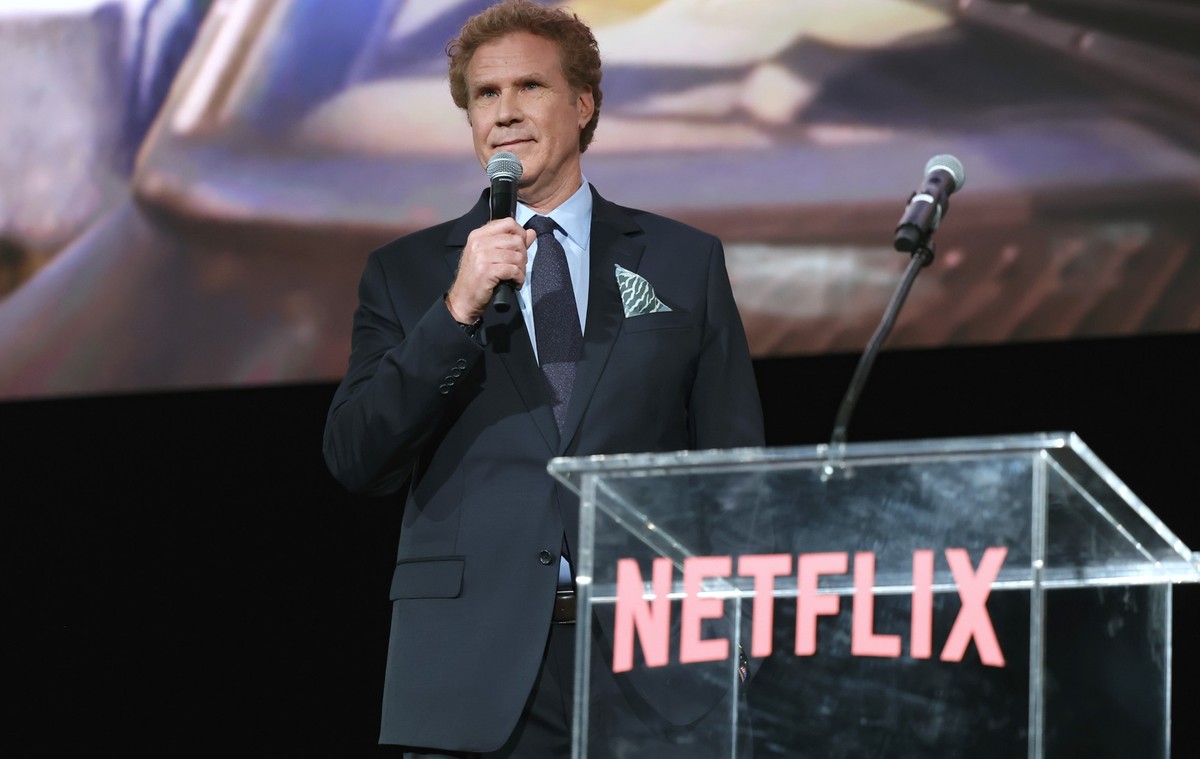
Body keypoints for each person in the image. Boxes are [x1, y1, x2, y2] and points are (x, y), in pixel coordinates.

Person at [322, 1, 764, 756]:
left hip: (651, 663)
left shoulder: (682, 260)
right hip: (468, 670)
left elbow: (734, 466)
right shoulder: (407, 275)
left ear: (583, 103)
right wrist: (455, 309)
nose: (505, 112)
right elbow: (356, 455)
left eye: (529, 86)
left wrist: (741, 631)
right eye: (485, 95)